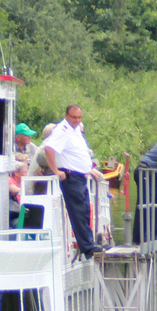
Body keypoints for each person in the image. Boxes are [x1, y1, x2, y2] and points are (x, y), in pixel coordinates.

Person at [40, 104, 102, 257]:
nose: (76, 120)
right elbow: (49, 148)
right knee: (78, 211)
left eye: (79, 117)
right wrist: (56, 170)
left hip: (80, 176)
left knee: (85, 209)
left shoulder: (75, 130)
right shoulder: (63, 130)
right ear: (66, 116)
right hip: (71, 176)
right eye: (73, 117)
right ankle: (87, 246)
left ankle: (89, 242)